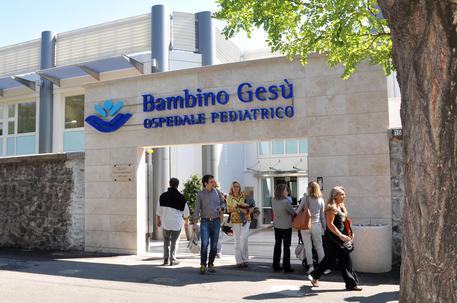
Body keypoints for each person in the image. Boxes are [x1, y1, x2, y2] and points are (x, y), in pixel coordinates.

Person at [308, 186, 362, 291]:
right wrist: (341, 235)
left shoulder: (341, 206)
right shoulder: (331, 207)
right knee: (329, 260)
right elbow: (330, 225)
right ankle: (314, 276)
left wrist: (350, 233)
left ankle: (351, 284)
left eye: (343, 194)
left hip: (342, 237)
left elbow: (345, 221)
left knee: (345, 260)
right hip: (333, 238)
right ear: (335, 196)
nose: (344, 196)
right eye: (341, 194)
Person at [192, 174, 226, 274]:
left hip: (216, 221)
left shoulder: (217, 192)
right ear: (205, 183)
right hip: (205, 222)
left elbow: (223, 203)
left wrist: (222, 208)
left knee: (214, 245)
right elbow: (197, 209)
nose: (213, 183)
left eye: (213, 181)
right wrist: (194, 222)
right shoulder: (200, 194)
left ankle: (211, 264)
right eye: (211, 182)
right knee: (205, 243)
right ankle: (203, 265)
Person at [156, 177, 190, 266]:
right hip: (176, 224)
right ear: (177, 185)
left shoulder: (162, 196)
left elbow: (158, 211)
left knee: (166, 241)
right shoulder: (181, 197)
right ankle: (172, 259)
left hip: (165, 223)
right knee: (174, 242)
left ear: (169, 184)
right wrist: (186, 222)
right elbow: (186, 213)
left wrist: (158, 220)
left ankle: (165, 259)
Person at [296, 181, 328, 274]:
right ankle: (323, 268)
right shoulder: (321, 200)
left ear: (309, 188)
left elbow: (297, 211)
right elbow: (322, 216)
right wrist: (325, 228)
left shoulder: (305, 198)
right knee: (319, 247)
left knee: (308, 246)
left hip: (305, 225)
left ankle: (311, 267)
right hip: (317, 225)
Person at [226, 181, 254, 268]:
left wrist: (239, 207)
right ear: (232, 187)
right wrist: (241, 208)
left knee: (244, 238)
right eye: (234, 186)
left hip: (246, 220)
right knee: (237, 240)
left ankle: (245, 259)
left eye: (237, 186)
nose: (236, 188)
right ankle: (239, 260)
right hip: (235, 221)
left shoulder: (244, 196)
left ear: (239, 187)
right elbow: (229, 209)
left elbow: (249, 206)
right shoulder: (229, 197)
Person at [272, 183, 296, 273]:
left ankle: (276, 265)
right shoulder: (286, 202)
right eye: (286, 190)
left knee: (277, 245)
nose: (287, 192)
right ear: (282, 192)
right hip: (286, 227)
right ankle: (287, 267)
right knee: (286, 247)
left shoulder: (273, 200)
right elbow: (293, 212)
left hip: (277, 226)